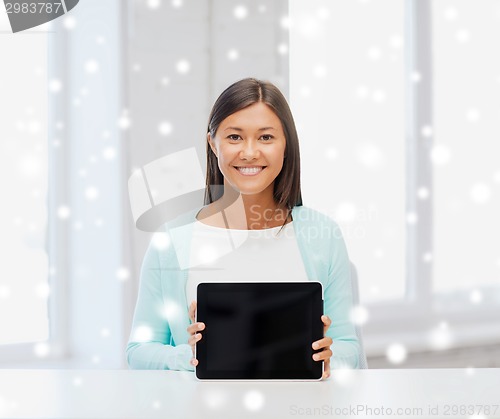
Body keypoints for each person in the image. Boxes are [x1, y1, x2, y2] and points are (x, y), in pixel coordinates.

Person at [126, 78, 360, 378]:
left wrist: (329, 355)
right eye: (235, 137)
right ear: (213, 143)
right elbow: (139, 350)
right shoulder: (173, 240)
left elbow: (349, 347)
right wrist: (191, 355)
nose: (249, 152)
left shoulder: (323, 234)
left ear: (286, 144)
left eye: (265, 138)